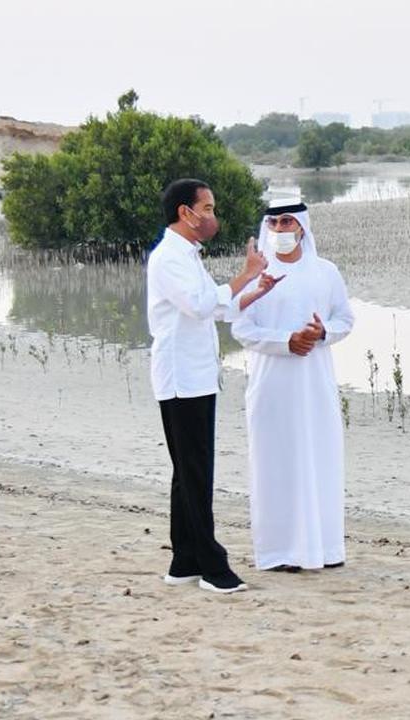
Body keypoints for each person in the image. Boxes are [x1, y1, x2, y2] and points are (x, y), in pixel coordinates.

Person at [147, 178, 278, 594]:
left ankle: (183, 560)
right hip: (181, 379)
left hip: (197, 376)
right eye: (207, 209)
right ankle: (212, 567)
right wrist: (244, 274)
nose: (212, 217)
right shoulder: (169, 258)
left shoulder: (187, 255)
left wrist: (255, 288)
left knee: (188, 472)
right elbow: (202, 304)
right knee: (196, 471)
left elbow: (215, 309)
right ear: (185, 213)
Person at [232, 194, 355, 572]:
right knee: (276, 463)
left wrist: (320, 334)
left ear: (302, 226)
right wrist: (286, 342)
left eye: (287, 222)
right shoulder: (258, 276)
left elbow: (344, 320)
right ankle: (279, 552)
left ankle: (325, 549)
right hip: (272, 385)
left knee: (320, 459)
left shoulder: (326, 272)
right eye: (274, 223)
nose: (281, 229)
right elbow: (241, 328)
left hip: (315, 385)